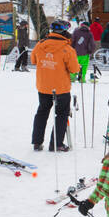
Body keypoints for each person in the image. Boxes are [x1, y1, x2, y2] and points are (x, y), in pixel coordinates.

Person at [31, 20, 81, 151]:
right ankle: (56, 144)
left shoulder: (40, 45)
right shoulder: (67, 49)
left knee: (42, 112)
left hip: (43, 86)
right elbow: (74, 69)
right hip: (61, 88)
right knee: (61, 115)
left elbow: (33, 60)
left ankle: (37, 142)